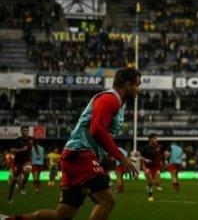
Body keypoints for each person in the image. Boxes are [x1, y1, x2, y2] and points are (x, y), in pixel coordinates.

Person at [1, 67, 140, 220]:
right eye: (136, 85)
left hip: (76, 156)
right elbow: (97, 131)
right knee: (106, 201)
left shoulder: (119, 104)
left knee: (62, 215)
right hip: (80, 154)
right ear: (127, 85)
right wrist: (121, 157)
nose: (138, 90)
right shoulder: (109, 99)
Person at [7, 126, 34, 203]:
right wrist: (21, 149)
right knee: (14, 179)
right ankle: (10, 196)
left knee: (28, 171)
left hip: (27, 160)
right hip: (18, 161)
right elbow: (12, 150)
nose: (26, 132)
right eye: (24, 130)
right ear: (21, 131)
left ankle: (23, 186)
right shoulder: (17, 140)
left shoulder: (31, 139)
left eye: (27, 130)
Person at [141, 134, 164, 201]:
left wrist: (162, 162)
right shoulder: (145, 148)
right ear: (150, 139)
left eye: (156, 138)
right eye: (154, 138)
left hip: (156, 167)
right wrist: (144, 165)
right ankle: (150, 195)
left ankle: (149, 186)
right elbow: (141, 158)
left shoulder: (159, 147)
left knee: (157, 183)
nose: (156, 140)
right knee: (150, 182)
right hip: (148, 167)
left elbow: (162, 155)